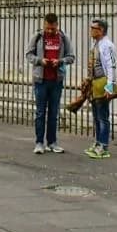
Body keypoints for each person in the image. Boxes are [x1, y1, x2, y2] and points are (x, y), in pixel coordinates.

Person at [25, 12, 76, 155]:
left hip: (56, 80)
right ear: (44, 25)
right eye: (47, 28)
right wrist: (40, 61)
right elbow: (29, 55)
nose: (49, 31)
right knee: (40, 112)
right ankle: (39, 142)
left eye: (52, 28)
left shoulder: (63, 38)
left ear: (57, 26)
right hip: (40, 80)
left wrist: (60, 61)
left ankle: (52, 142)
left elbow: (71, 57)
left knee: (54, 113)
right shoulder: (37, 37)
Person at [85, 18, 117, 159]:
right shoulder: (96, 44)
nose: (91, 30)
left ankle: (103, 146)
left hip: (103, 81)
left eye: (93, 28)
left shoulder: (107, 45)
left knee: (103, 117)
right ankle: (98, 143)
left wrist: (109, 86)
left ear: (101, 30)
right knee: (97, 116)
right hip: (95, 82)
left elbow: (111, 66)